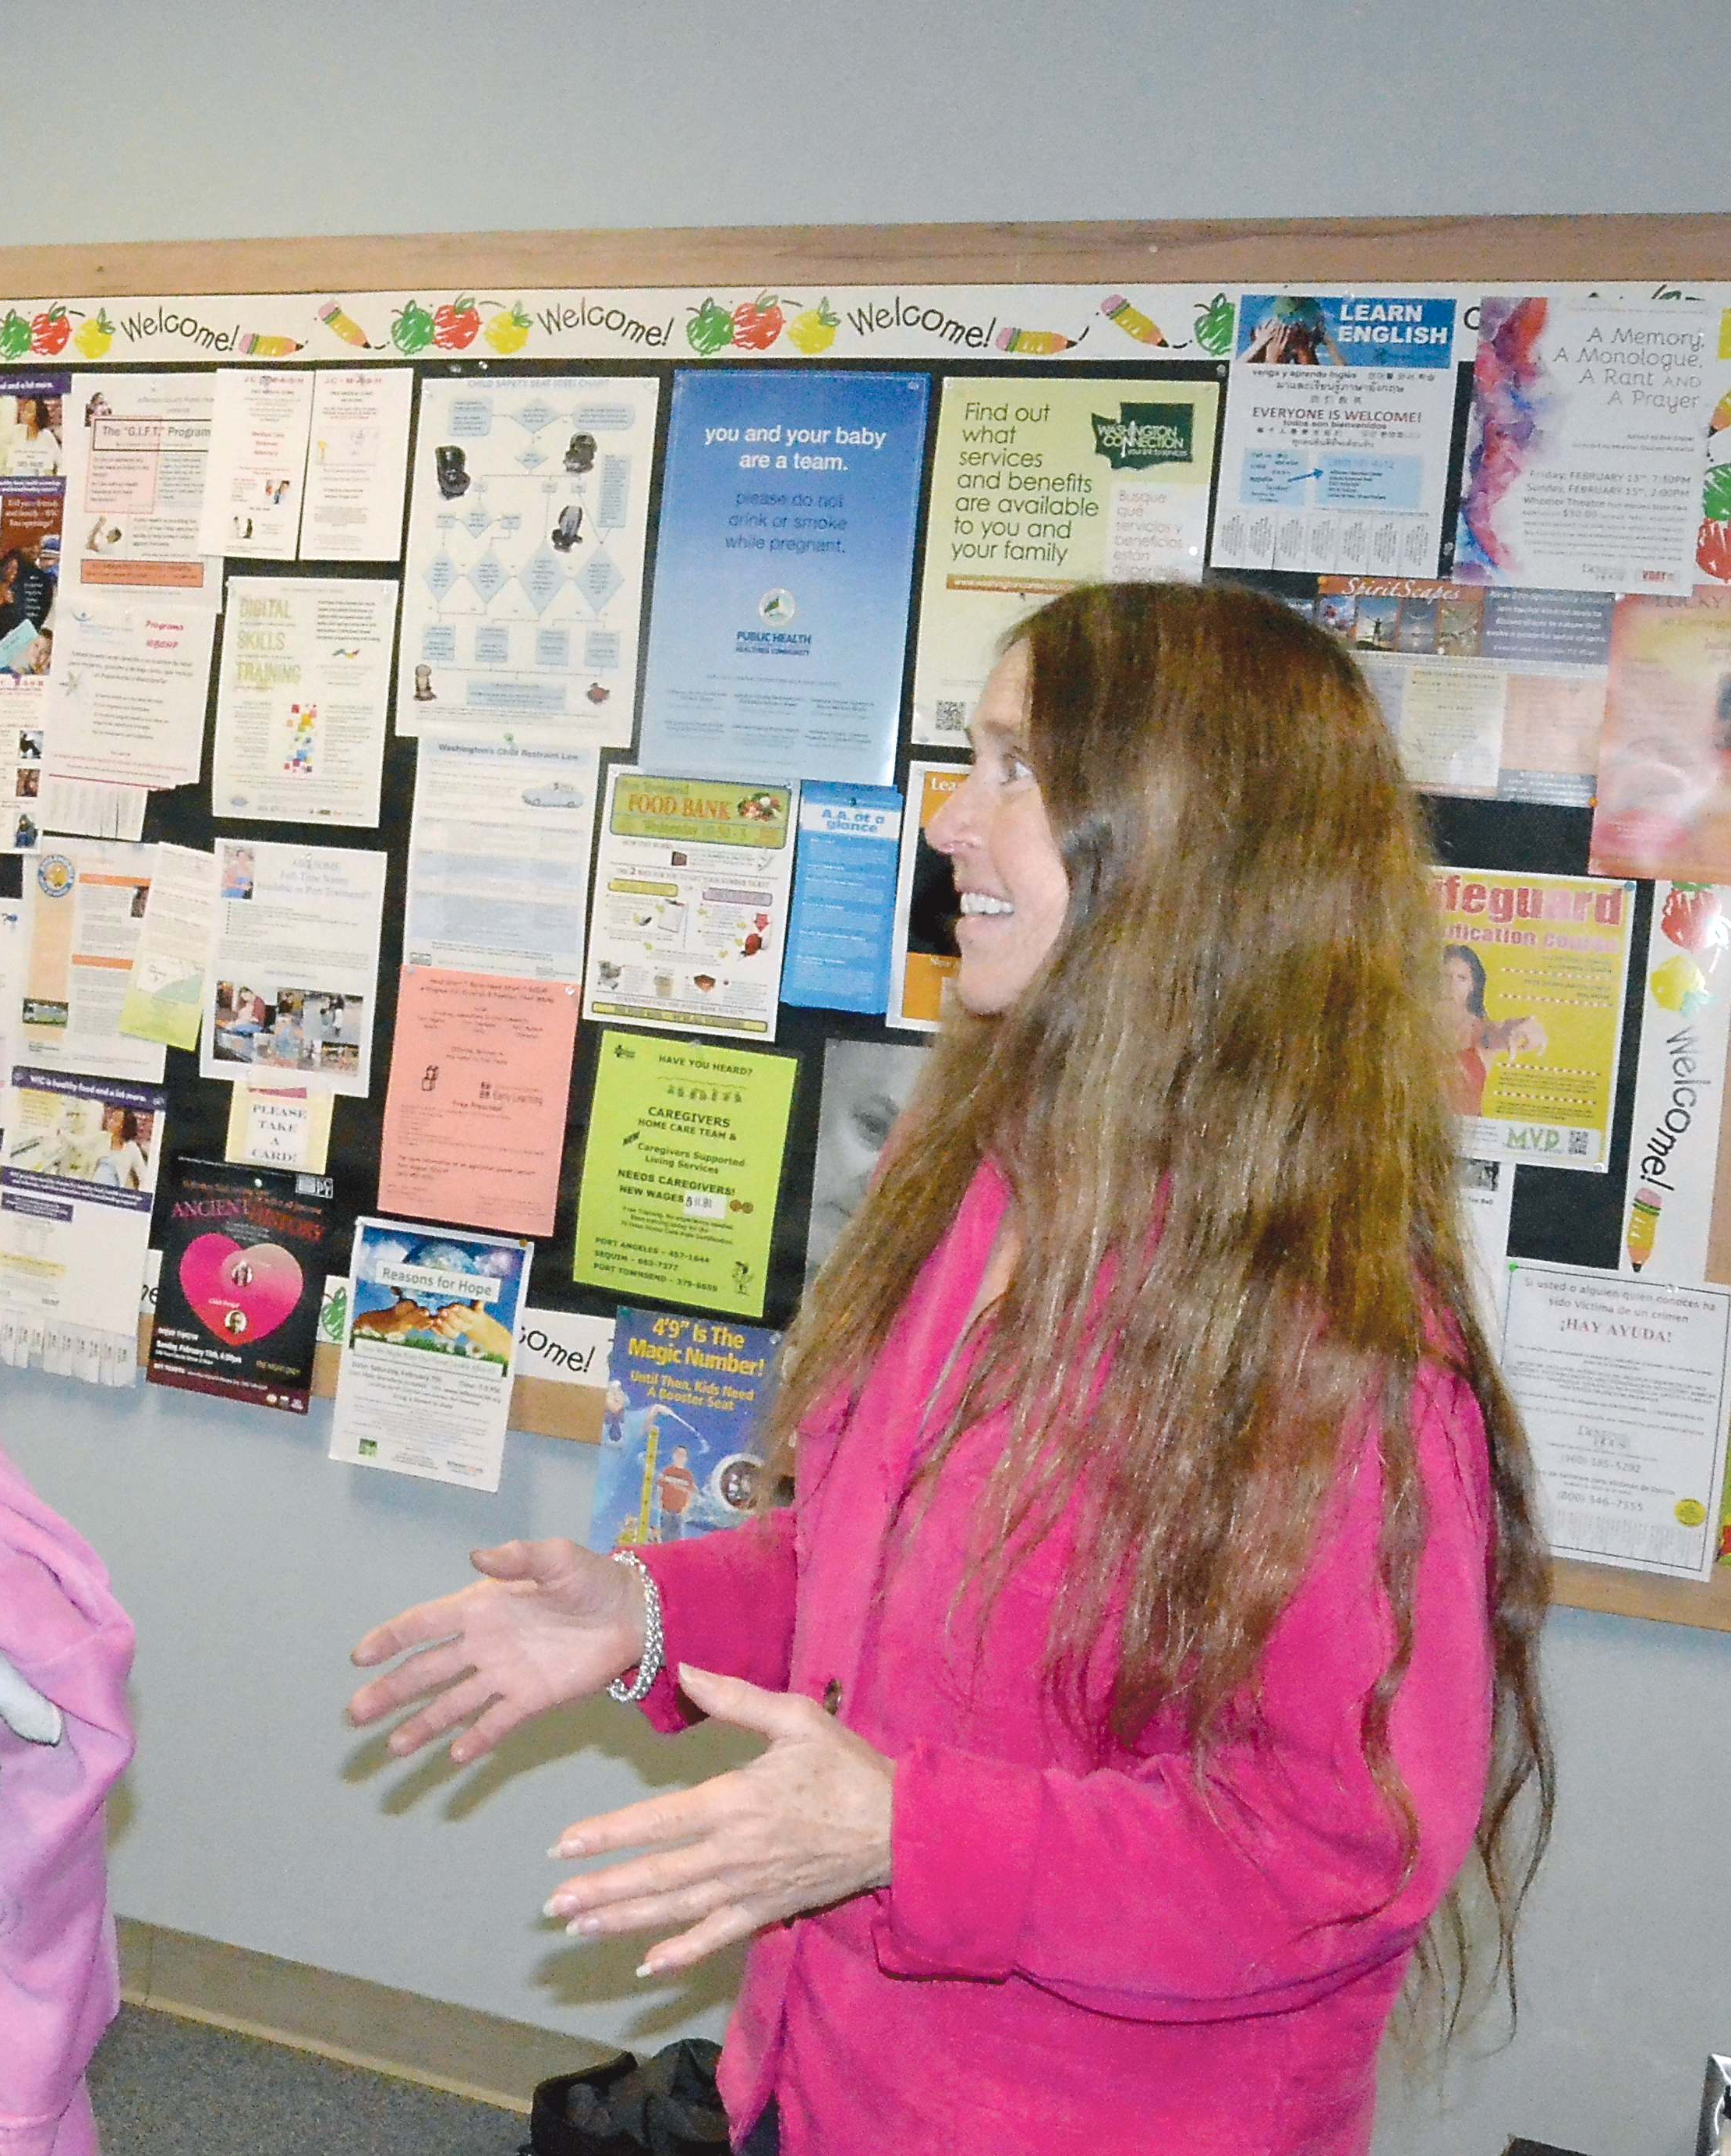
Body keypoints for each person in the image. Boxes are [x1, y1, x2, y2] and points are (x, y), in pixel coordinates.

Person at [347, 582, 1553, 2152]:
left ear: (1186, 849)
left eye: (1013, 768)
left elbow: (1340, 1849)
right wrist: (645, 1612)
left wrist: (909, 1833)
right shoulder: (988, 1180)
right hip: (823, 2075)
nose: (948, 824)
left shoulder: (1332, 1341)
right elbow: (884, 1577)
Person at [1442, 943, 1546, 1118]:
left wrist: (1515, 1031)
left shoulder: (1481, 1031)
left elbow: (1497, 1034)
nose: (1452, 985)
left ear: (1473, 986)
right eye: (1445, 976)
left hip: (1465, 1132)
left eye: (1462, 978)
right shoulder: (1409, 1026)